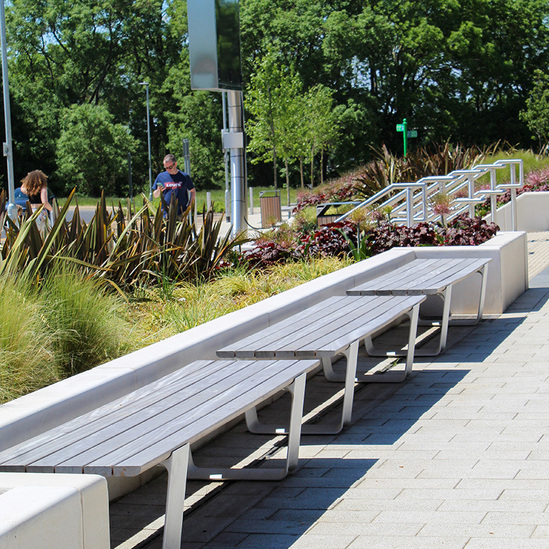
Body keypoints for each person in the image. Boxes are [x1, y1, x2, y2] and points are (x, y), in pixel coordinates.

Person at [152, 154, 196, 218]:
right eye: (166, 168)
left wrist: (190, 206)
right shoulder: (161, 177)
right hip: (165, 213)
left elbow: (193, 191)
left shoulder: (184, 177)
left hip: (181, 212)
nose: (168, 170)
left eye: (170, 167)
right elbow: (155, 195)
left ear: (175, 164)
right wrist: (158, 191)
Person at [20, 169, 53, 234]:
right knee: (45, 233)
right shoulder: (43, 188)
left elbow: (22, 188)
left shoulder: (28, 190)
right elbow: (45, 203)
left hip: (31, 212)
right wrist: (52, 210)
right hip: (41, 212)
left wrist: (27, 179)